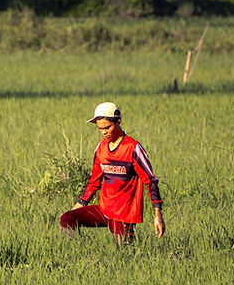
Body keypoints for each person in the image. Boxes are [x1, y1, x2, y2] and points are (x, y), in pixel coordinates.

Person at [60, 102, 165, 244]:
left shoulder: (133, 148)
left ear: (119, 123)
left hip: (123, 214)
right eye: (100, 128)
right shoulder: (101, 148)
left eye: (107, 127)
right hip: (103, 209)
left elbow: (150, 181)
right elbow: (93, 183)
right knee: (67, 218)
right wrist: (78, 206)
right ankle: (77, 251)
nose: (104, 132)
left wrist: (158, 214)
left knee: (124, 250)